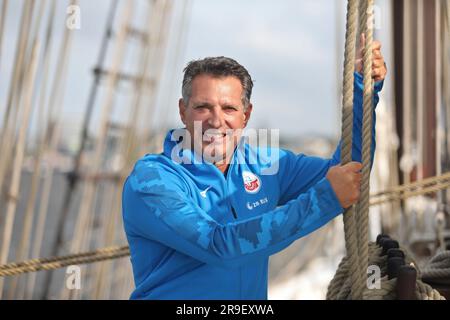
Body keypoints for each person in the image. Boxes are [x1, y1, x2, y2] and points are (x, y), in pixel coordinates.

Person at [122, 38, 387, 299]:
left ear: (245, 115)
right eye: (203, 107)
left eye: (228, 108)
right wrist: (326, 198)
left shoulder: (266, 166)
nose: (216, 120)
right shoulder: (151, 181)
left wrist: (364, 90)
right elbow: (219, 246)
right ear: (183, 111)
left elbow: (348, 172)